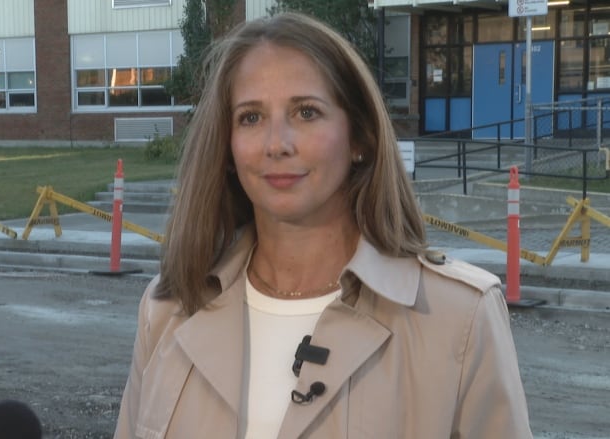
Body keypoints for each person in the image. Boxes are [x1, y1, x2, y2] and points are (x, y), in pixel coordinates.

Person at [114, 12, 532, 439]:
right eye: (251, 118)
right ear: (226, 145)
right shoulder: (168, 309)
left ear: (359, 138)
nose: (277, 144)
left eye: (306, 112)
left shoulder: (460, 317)